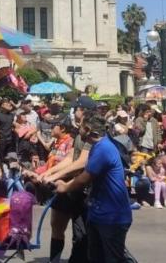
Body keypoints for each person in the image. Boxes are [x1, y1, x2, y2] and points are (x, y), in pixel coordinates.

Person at [55, 114, 133, 263]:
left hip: (112, 216)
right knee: (95, 257)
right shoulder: (97, 147)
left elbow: (84, 178)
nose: (78, 129)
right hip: (99, 214)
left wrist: (65, 187)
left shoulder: (103, 148)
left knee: (112, 259)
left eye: (81, 126)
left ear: (88, 129)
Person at [38, 102, 92, 263]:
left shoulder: (91, 134)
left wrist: (54, 177)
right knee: (57, 225)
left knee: (81, 233)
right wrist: (49, 173)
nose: (74, 111)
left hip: (82, 188)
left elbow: (81, 162)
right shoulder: (78, 135)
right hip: (65, 185)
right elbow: (70, 158)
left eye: (77, 108)